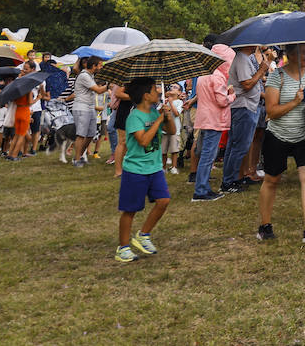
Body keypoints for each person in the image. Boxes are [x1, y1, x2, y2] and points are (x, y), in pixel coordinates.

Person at [256, 43, 305, 244]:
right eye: (304, 52)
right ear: (291, 54)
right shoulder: (277, 76)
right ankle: (265, 226)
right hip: (277, 135)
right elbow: (271, 111)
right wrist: (294, 102)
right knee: (272, 180)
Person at [114, 78, 178, 263]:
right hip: (135, 170)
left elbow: (172, 131)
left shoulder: (153, 112)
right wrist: (158, 119)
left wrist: (167, 116)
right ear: (145, 95)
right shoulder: (135, 117)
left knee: (164, 200)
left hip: (155, 168)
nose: (158, 92)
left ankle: (144, 234)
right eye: (154, 89)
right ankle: (123, 247)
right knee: (130, 210)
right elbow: (143, 141)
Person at [191, 44, 236, 203]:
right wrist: (232, 95)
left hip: (205, 118)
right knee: (208, 156)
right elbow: (222, 101)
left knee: (206, 154)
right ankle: (201, 190)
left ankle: (202, 187)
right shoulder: (218, 77)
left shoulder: (204, 74)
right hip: (214, 120)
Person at [224, 46, 271, 194]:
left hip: (247, 106)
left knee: (236, 145)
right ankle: (229, 181)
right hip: (243, 107)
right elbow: (247, 84)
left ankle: (234, 178)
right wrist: (262, 70)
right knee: (239, 146)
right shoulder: (242, 59)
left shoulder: (244, 59)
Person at [68, 57, 108, 166]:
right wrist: (109, 85)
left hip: (90, 108)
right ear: (94, 66)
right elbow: (99, 91)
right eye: (100, 65)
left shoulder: (91, 75)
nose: (101, 67)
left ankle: (80, 156)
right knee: (81, 134)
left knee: (90, 134)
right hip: (81, 107)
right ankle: (76, 160)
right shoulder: (84, 76)